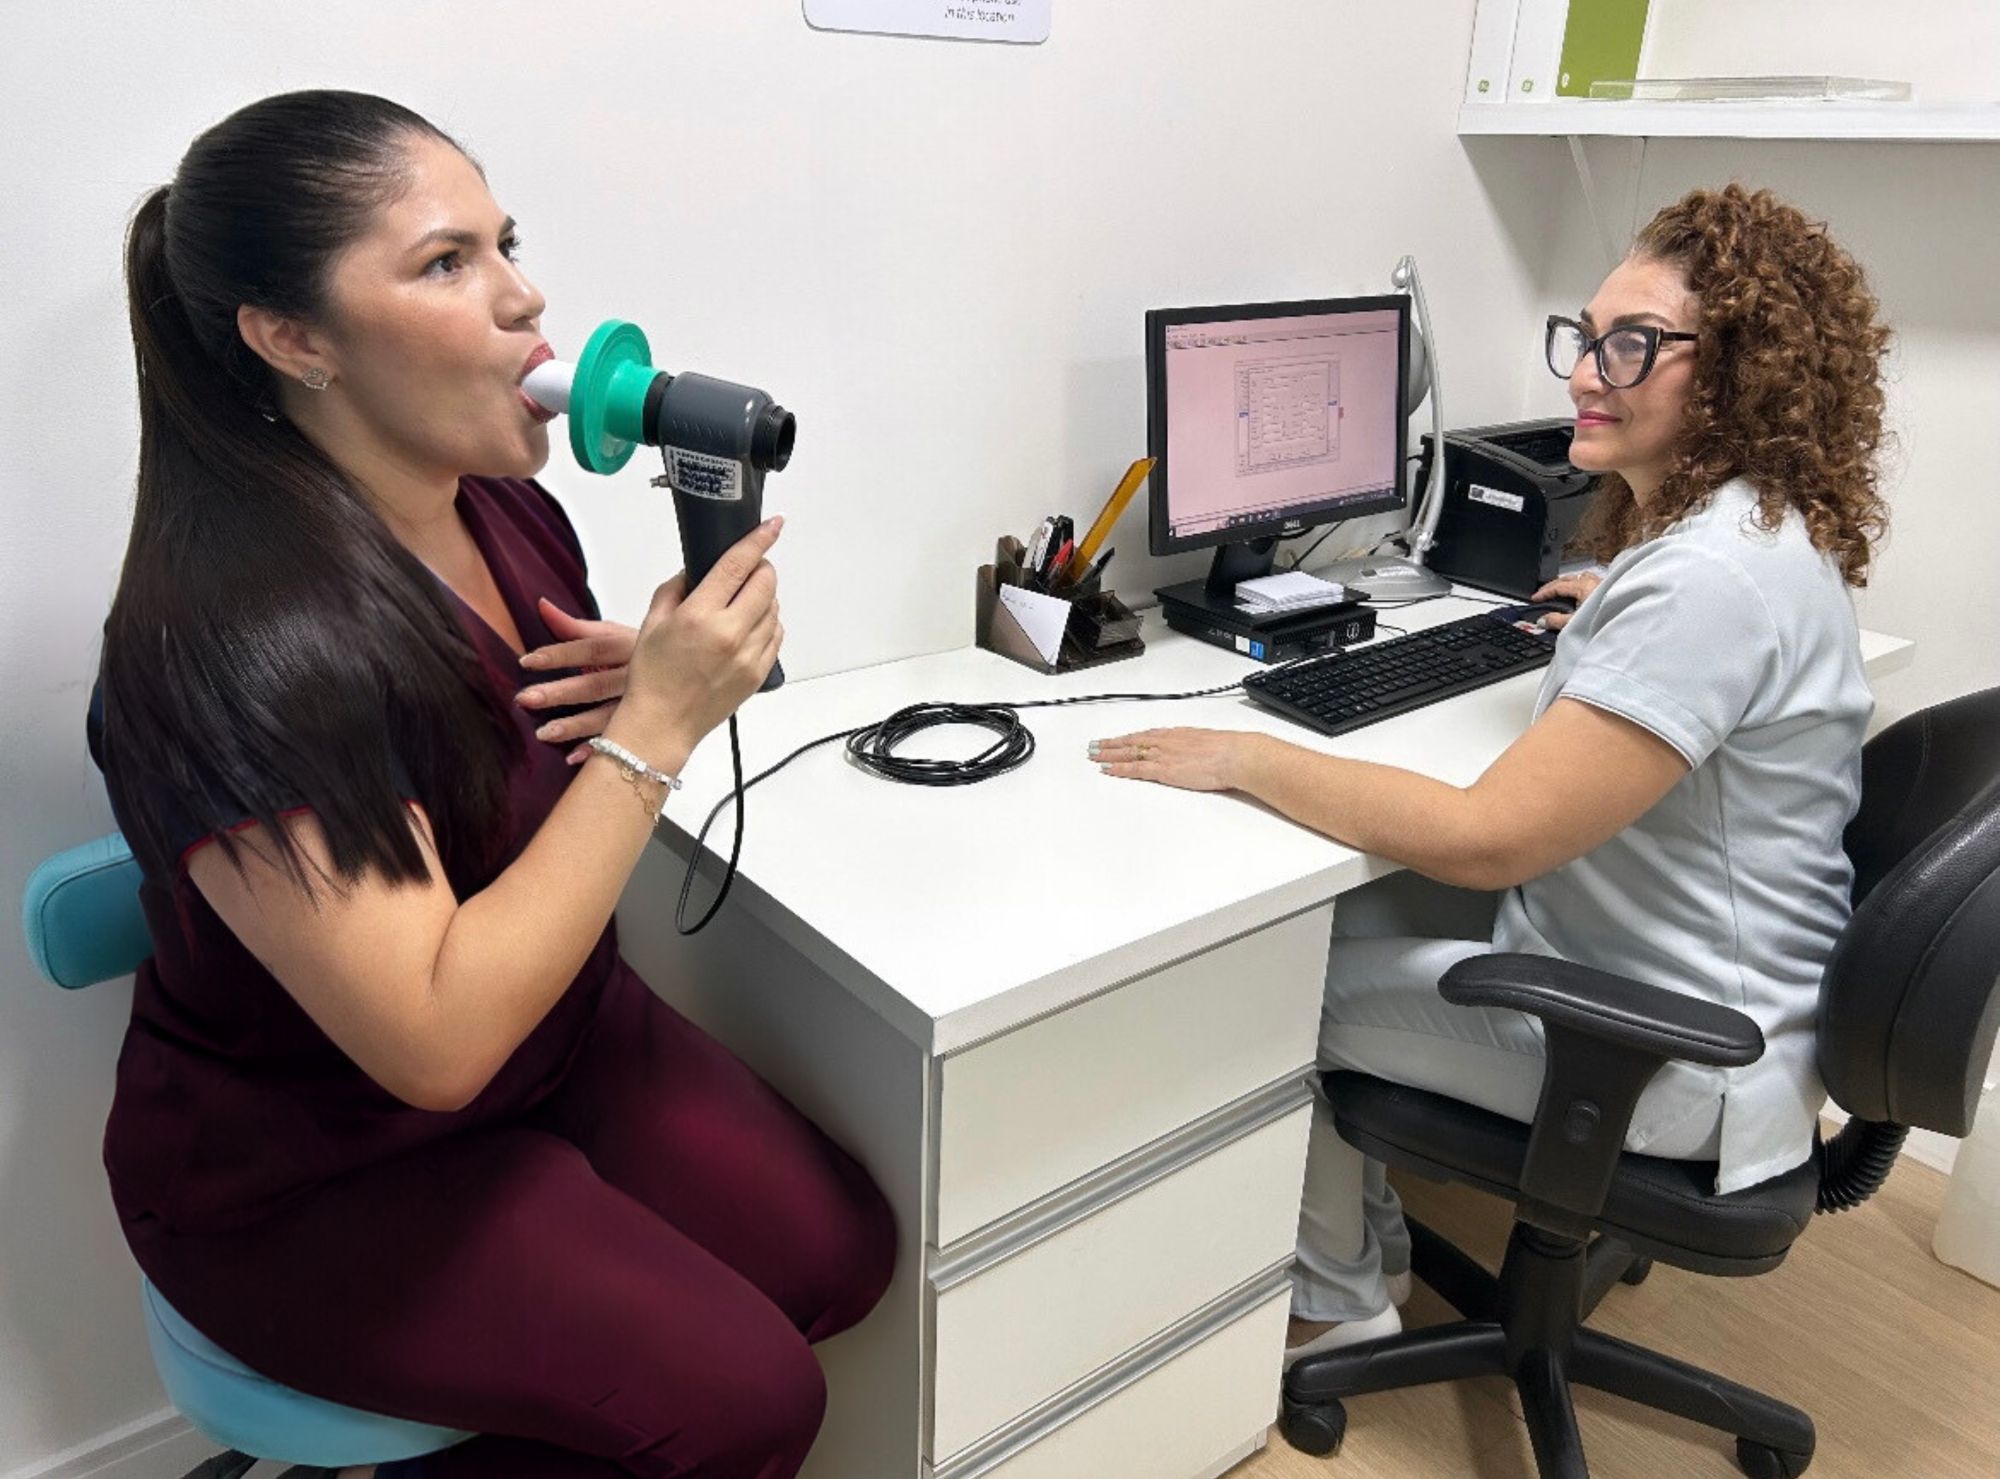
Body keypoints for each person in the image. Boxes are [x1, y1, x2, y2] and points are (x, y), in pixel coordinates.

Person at [89, 90, 894, 1479]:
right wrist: (655, 730)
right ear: (292, 339)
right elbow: (435, 1039)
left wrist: (662, 675)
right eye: (446, 262)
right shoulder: (225, 645)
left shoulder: (505, 504)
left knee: (843, 1256)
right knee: (748, 1402)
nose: (529, 299)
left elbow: (528, 774)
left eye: (506, 241)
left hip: (561, 1040)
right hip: (321, 1163)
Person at [1090, 184, 1892, 1366]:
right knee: (1359, 918)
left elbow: (1487, 840)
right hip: (1722, 1004)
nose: (1584, 372)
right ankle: (1366, 1253)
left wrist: (1252, 757)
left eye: (1632, 345)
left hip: (1668, 1048)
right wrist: (1605, 615)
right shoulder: (1745, 535)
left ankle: (1339, 1293)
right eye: (1584, 336)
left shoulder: (1708, 585)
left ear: (1734, 374)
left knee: (1264, 1004)